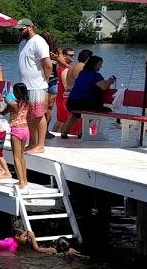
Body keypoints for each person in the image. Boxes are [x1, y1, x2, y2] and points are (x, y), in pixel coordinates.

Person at [16, 19, 53, 155]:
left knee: (38, 114)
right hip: (25, 86)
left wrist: (46, 79)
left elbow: (47, 64)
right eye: (19, 30)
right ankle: (32, 143)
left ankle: (40, 144)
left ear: (30, 27)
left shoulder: (39, 42)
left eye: (22, 29)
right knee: (29, 116)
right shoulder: (22, 44)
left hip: (37, 85)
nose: (20, 32)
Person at [62, 55, 117, 137]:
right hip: (83, 103)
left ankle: (64, 132)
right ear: (93, 65)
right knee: (94, 112)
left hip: (71, 103)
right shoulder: (96, 75)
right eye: (99, 65)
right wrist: (109, 81)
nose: (100, 67)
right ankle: (82, 133)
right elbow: (104, 87)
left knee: (75, 114)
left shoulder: (82, 73)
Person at [7, 81, 32, 191]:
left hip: (16, 130)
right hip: (25, 129)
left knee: (16, 157)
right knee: (21, 156)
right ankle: (24, 180)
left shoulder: (14, 104)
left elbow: (7, 106)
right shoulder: (27, 103)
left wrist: (3, 97)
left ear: (16, 92)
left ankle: (21, 182)